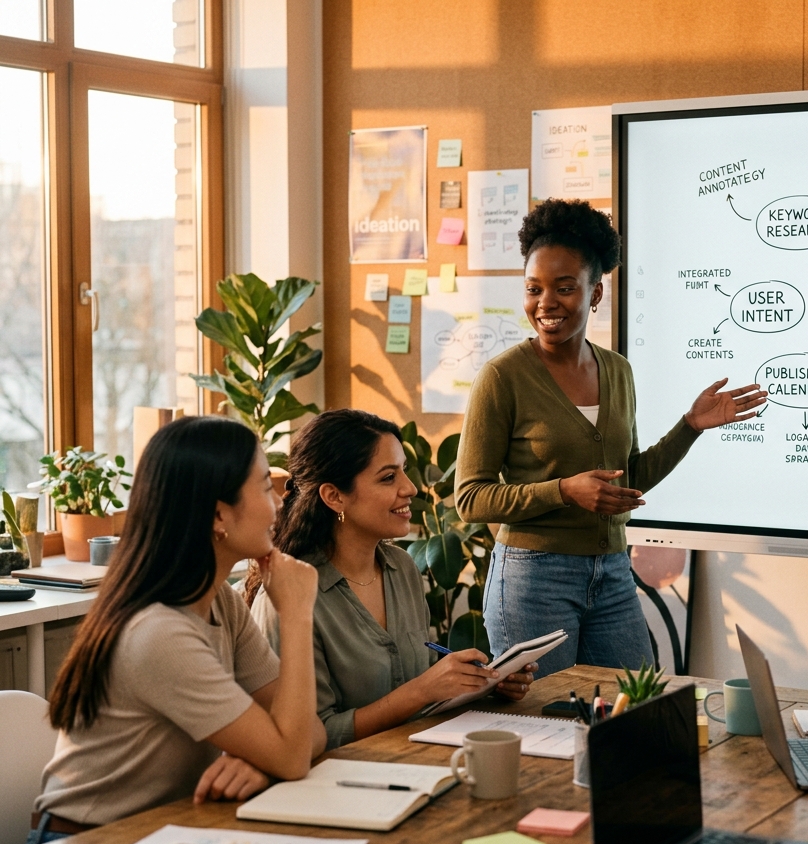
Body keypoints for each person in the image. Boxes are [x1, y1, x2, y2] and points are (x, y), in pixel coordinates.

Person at [456, 199, 767, 676]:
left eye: (564, 288)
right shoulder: (502, 377)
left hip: (613, 571)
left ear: (595, 292)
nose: (546, 304)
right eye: (533, 289)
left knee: (635, 708)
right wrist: (563, 491)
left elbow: (628, 479)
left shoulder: (617, 371)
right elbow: (470, 498)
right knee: (546, 720)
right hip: (532, 577)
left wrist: (690, 428)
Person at [29, 417, 326, 844]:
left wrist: (265, 762)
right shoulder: (159, 632)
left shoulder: (218, 602)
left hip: (158, 834)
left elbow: (307, 730)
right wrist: (297, 614)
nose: (279, 503)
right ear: (219, 514)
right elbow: (295, 753)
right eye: (265, 487)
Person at [247, 409, 534, 750]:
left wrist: (482, 682)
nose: (410, 488)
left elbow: (420, 675)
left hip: (416, 761)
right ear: (334, 496)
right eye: (388, 478)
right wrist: (421, 691)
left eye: (404, 472)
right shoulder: (287, 597)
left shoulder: (402, 568)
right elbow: (312, 736)